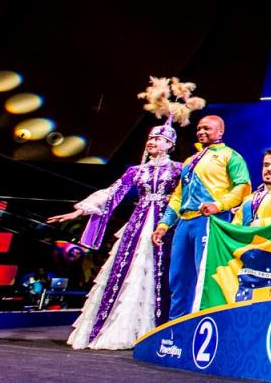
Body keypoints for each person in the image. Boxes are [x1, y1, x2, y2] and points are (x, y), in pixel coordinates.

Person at [54, 125, 182, 348]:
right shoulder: (136, 171)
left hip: (165, 225)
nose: (152, 141)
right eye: (150, 138)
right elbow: (111, 193)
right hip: (137, 224)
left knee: (160, 270)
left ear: (170, 145)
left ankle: (158, 329)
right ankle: (114, 327)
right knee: (127, 269)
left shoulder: (179, 169)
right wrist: (81, 210)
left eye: (159, 139)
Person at [151, 115, 250, 320]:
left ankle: (202, 323)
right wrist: (164, 224)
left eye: (207, 128)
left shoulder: (230, 156)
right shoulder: (189, 161)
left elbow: (243, 186)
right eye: (199, 128)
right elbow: (178, 196)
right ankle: (175, 327)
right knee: (177, 277)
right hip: (184, 223)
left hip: (210, 222)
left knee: (205, 275)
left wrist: (218, 205)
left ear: (220, 132)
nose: (201, 131)